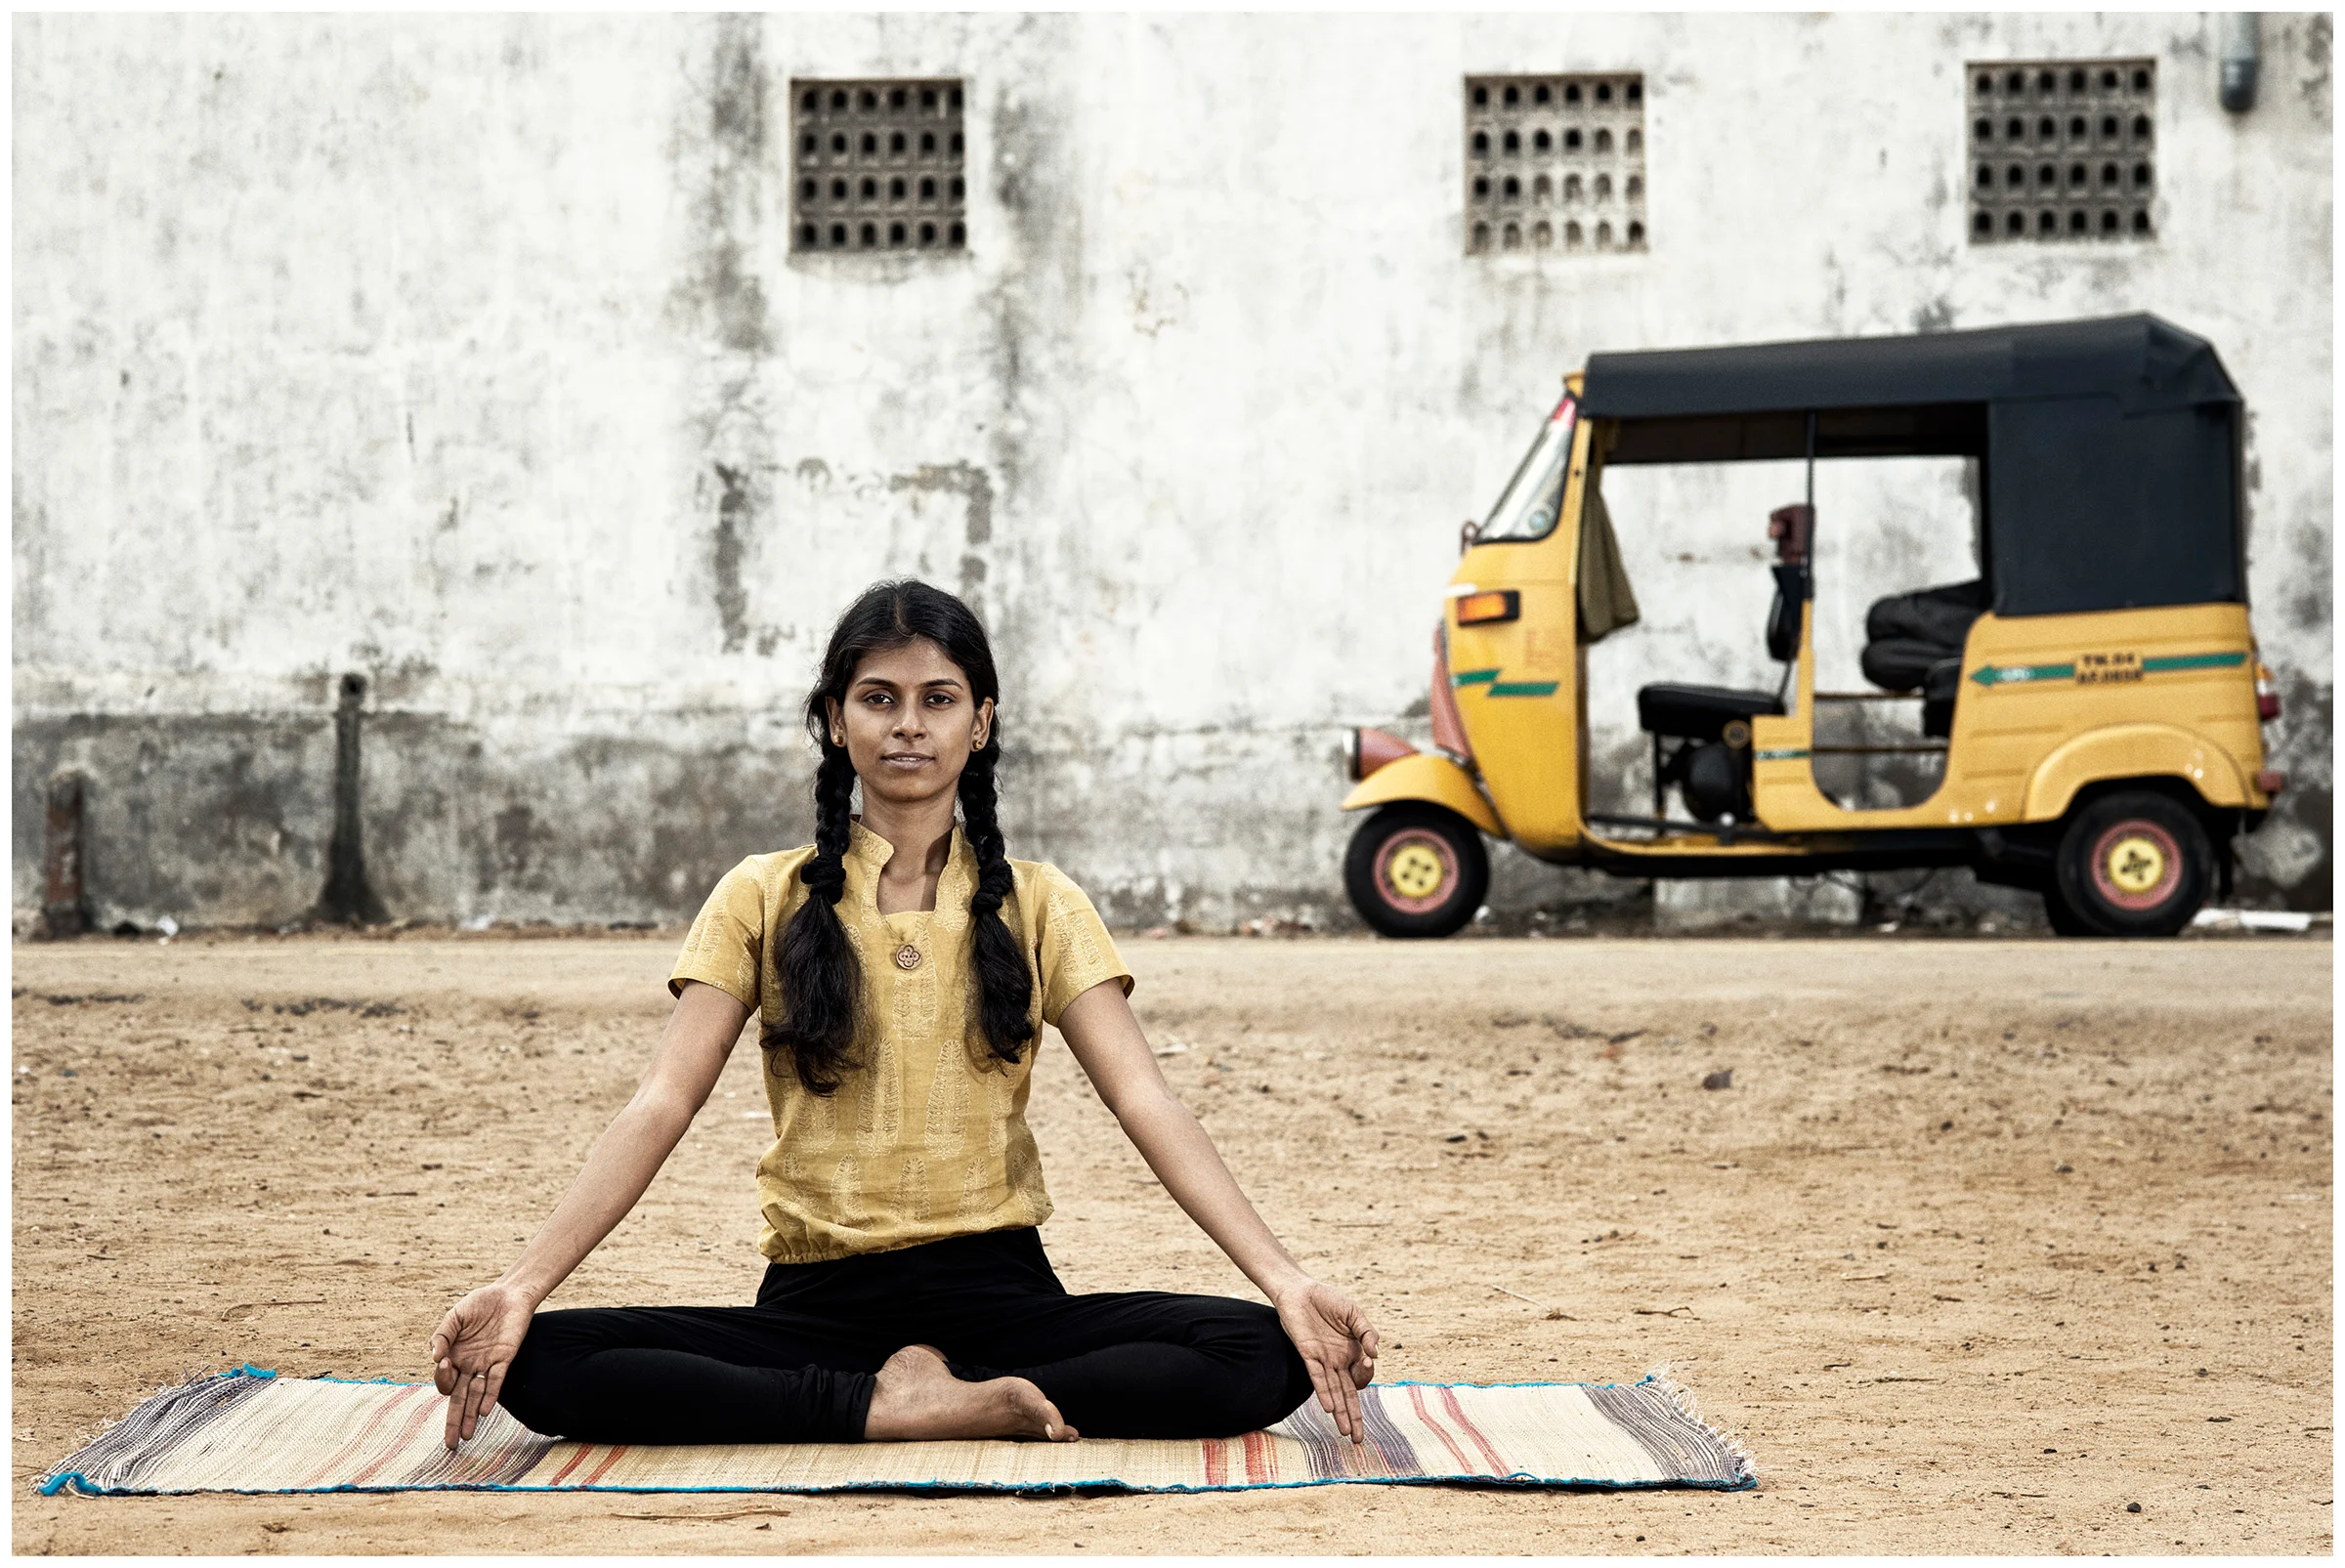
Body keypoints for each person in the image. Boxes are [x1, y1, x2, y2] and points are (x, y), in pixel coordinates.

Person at [429, 579, 1379, 1453]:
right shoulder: (760, 894)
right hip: (818, 1301)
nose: (908, 724)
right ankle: (906, 1406)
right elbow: (662, 1102)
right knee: (543, 1362)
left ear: (982, 721)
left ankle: (889, 1402)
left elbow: (1147, 1102)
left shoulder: (1040, 904)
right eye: (879, 698)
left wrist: (1286, 1281)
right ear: (836, 722)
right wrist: (521, 1286)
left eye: (939, 698)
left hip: (1003, 1294)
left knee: (1261, 1350)